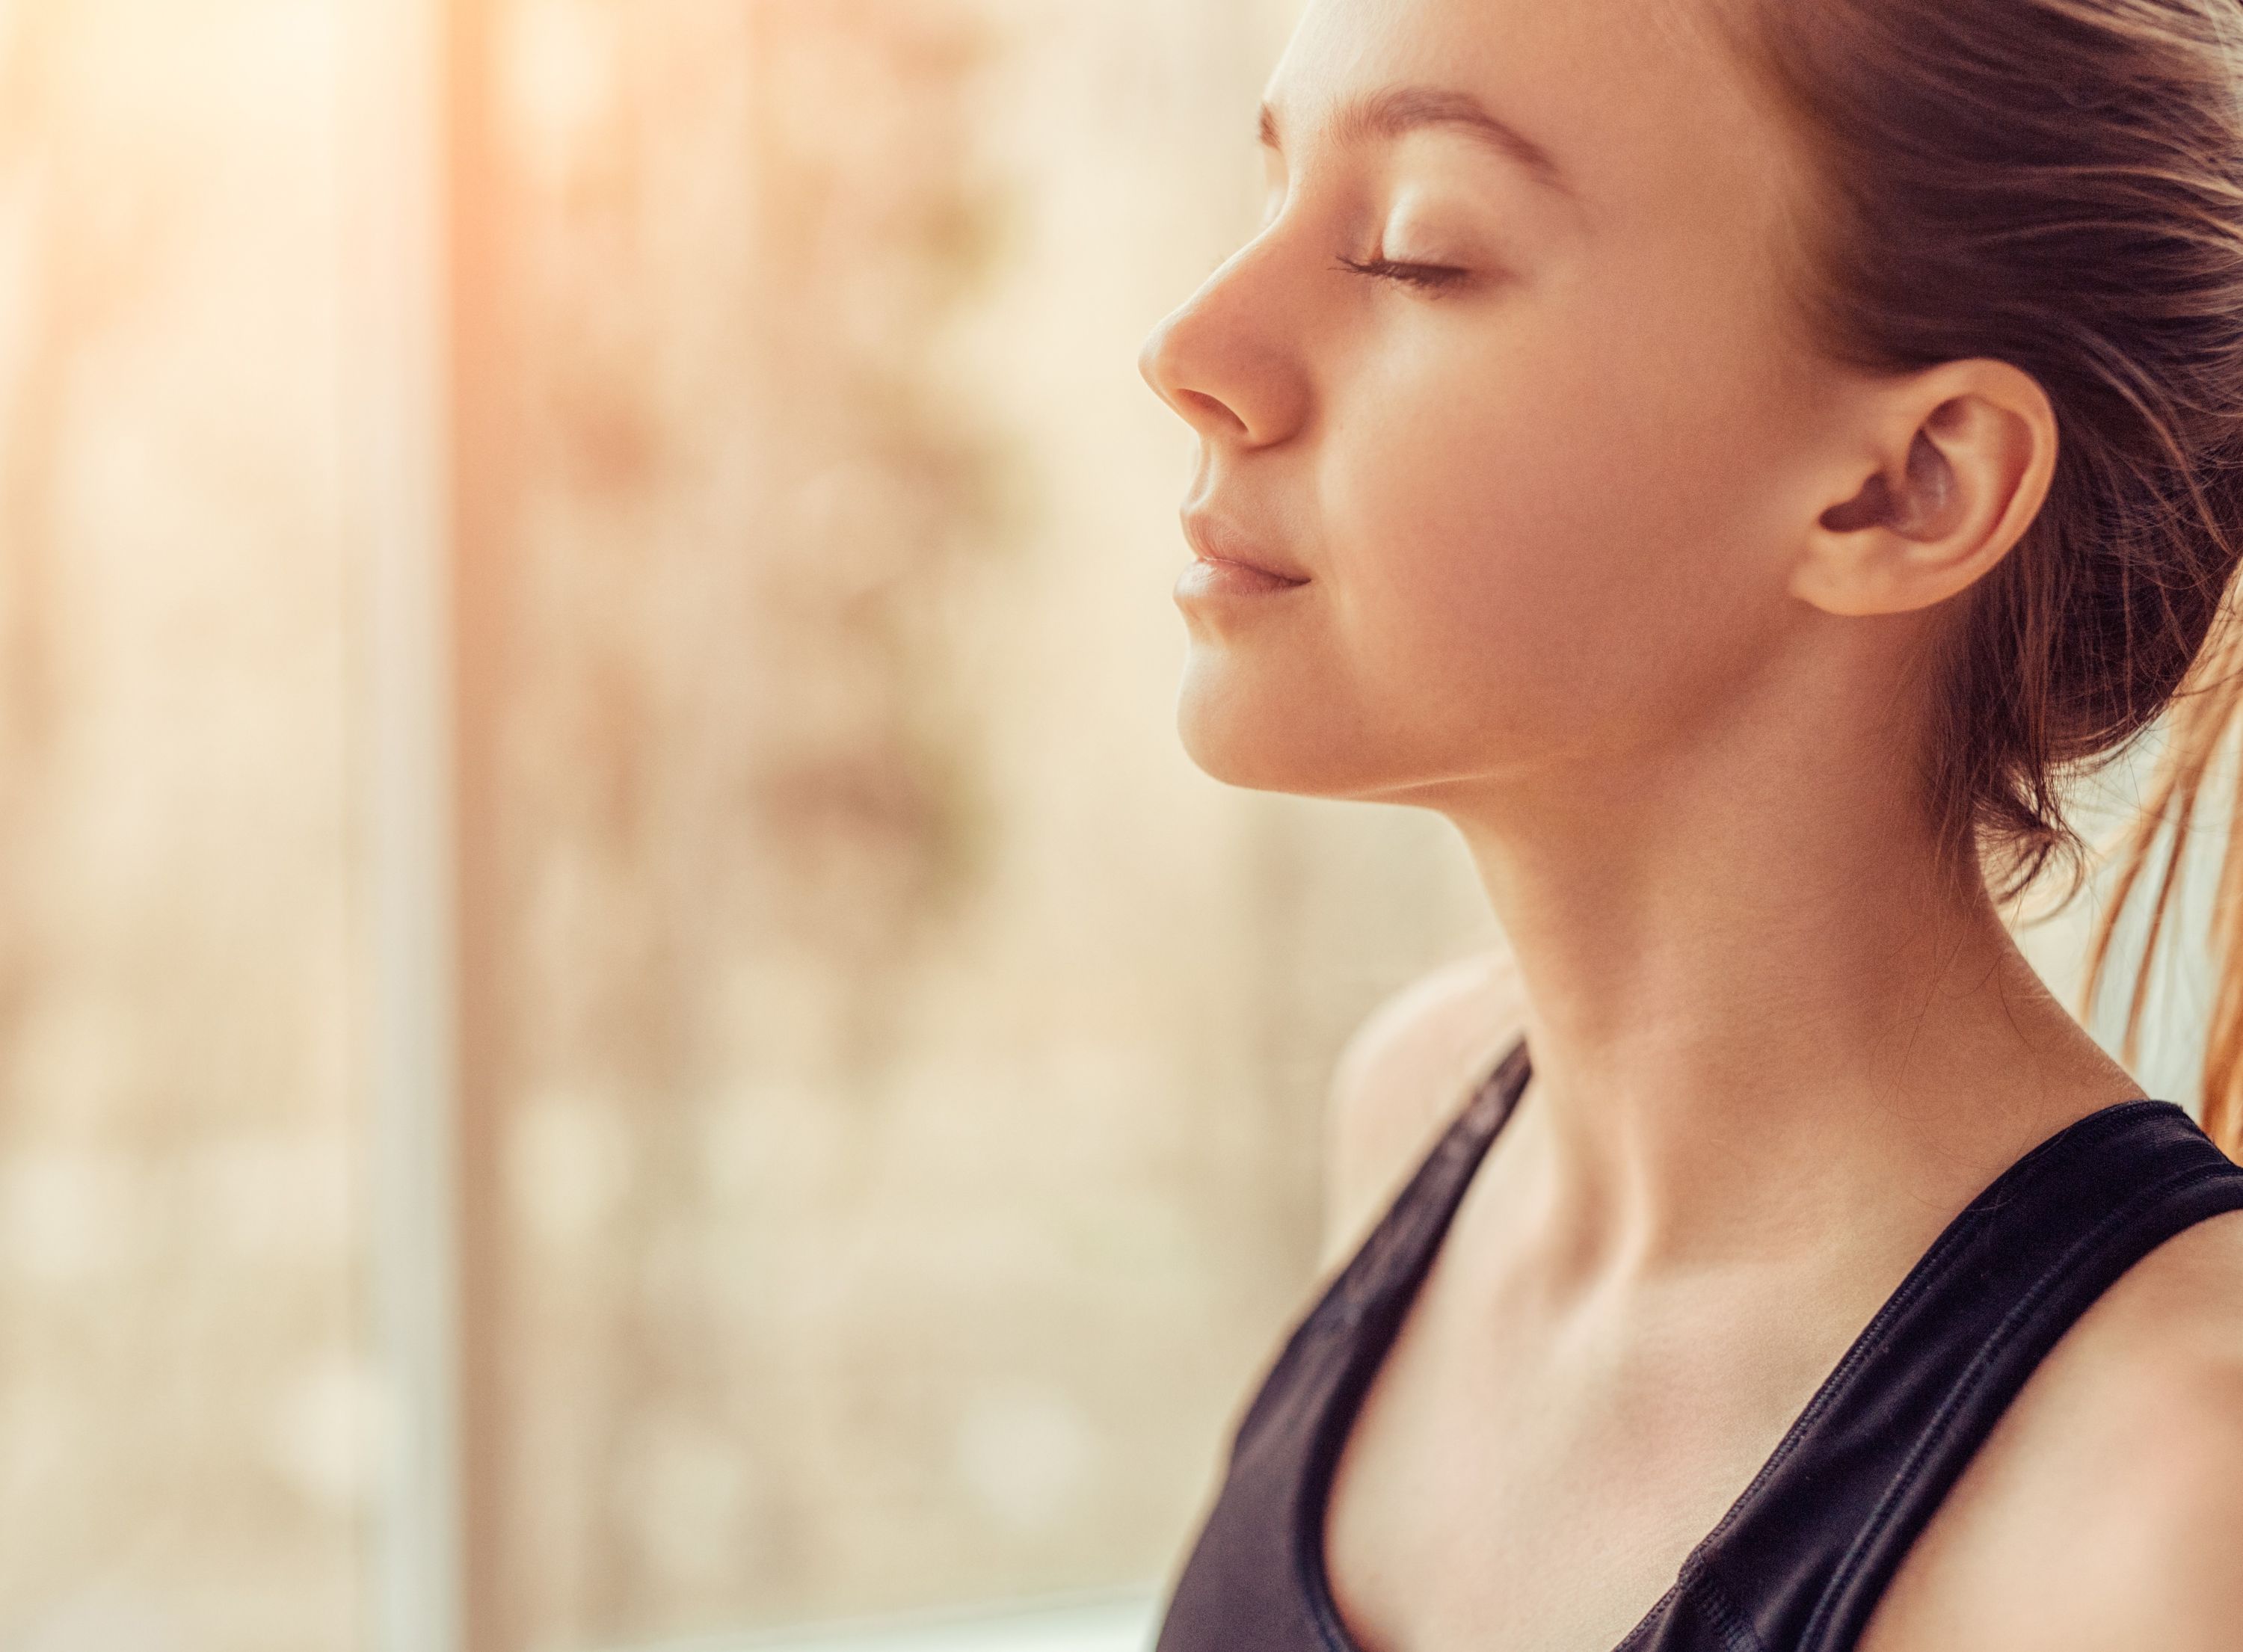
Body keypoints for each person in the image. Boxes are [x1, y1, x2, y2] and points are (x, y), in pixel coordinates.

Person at [1135, 0, 2243, 1647]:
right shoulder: (1419, 1114)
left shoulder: (2176, 1494)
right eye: (1277, 187)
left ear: (1909, 484)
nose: (1191, 347)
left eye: (1418, 250)